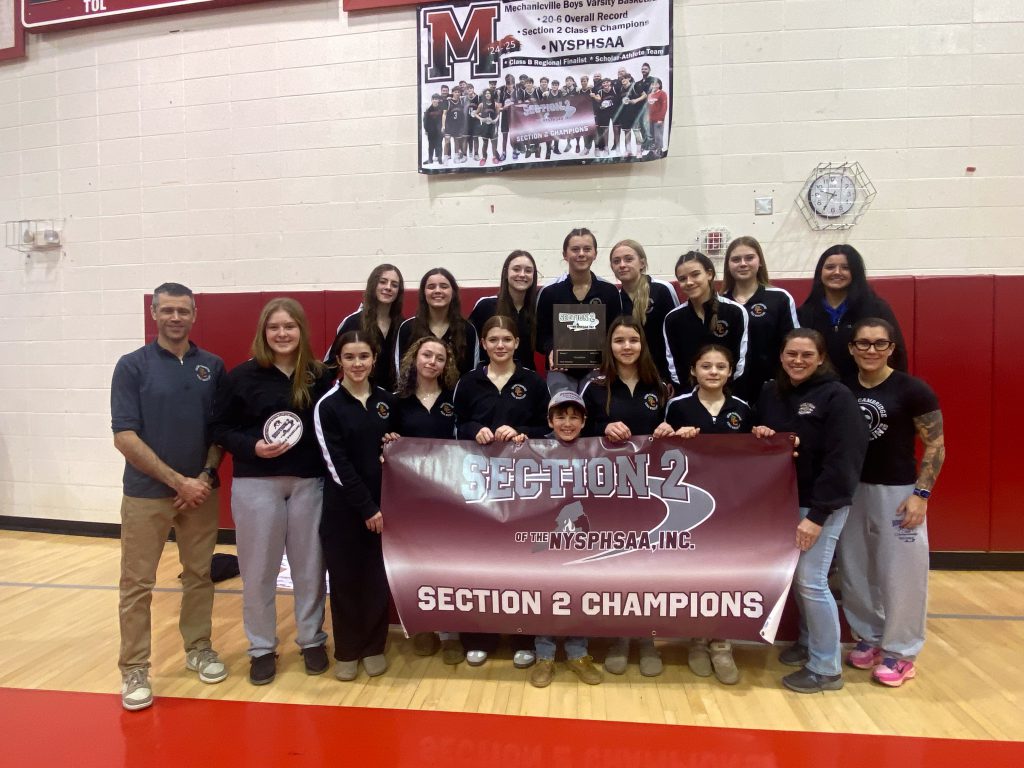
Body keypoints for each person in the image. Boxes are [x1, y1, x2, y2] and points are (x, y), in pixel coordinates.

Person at [111, 282, 227, 711]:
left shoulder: (212, 366)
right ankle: (135, 669)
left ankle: (199, 648)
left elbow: (219, 433)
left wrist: (204, 476)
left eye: (183, 311)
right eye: (167, 311)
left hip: (200, 493)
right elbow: (124, 436)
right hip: (146, 495)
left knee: (199, 575)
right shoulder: (132, 366)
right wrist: (178, 481)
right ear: (154, 314)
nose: (175, 318)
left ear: (195, 314)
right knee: (137, 584)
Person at [209, 297, 333, 686]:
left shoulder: (319, 374)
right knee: (259, 571)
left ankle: (312, 639)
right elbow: (221, 429)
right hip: (256, 484)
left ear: (301, 331)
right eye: (275, 327)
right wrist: (253, 447)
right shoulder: (242, 376)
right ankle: (261, 648)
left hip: (308, 484)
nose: (282, 334)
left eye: (290, 327)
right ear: (264, 332)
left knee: (310, 569)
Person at [753, 329, 868, 694]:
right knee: (799, 579)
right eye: (791, 354)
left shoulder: (837, 396)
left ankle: (826, 668)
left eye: (806, 355)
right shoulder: (771, 392)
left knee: (811, 581)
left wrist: (817, 515)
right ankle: (807, 643)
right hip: (783, 500)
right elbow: (771, 440)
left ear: (821, 358)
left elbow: (844, 460)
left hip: (820, 503)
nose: (797, 361)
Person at [840, 318, 945, 687]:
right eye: (863, 344)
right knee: (856, 570)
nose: (871, 351)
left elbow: (935, 444)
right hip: (850, 491)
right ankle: (870, 636)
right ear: (851, 348)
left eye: (879, 344)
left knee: (902, 574)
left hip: (898, 493)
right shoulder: (841, 387)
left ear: (891, 348)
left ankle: (901, 652)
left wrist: (921, 494)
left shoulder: (912, 389)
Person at [453, 315, 550, 666]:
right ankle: (479, 636)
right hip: (478, 486)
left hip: (522, 486)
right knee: (480, 561)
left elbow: (547, 426)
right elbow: (458, 423)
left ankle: (523, 636)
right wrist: (474, 429)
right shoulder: (468, 382)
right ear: (483, 342)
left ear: (517, 343)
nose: (500, 345)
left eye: (506, 339)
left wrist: (523, 431)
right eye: (493, 339)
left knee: (522, 561)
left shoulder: (534, 382)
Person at [580, 315, 672, 677]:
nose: (627, 347)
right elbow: (574, 429)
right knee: (616, 563)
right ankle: (619, 636)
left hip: (651, 491)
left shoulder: (661, 386)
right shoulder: (594, 386)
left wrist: (669, 427)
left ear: (642, 344)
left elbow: (676, 428)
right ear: (610, 346)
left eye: (633, 340)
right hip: (608, 490)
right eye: (619, 341)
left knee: (648, 565)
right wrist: (602, 427)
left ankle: (647, 638)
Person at [662, 344, 753, 685]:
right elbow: (660, 451)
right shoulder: (678, 406)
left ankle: (721, 641)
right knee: (693, 573)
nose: (713, 372)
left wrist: (762, 436)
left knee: (724, 574)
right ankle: (696, 639)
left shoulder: (743, 409)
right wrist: (673, 436)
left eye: (720, 366)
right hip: (690, 506)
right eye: (706, 366)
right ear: (693, 371)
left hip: (730, 507)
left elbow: (755, 457)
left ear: (731, 371)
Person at [314, 331, 399, 681]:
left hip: (384, 508)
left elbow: (394, 448)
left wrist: (394, 444)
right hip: (346, 511)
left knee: (377, 578)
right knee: (347, 579)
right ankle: (348, 649)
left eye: (364, 356)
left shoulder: (386, 401)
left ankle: (374, 646)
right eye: (350, 357)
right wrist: (366, 508)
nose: (357, 363)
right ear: (339, 361)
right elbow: (337, 465)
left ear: (374, 359)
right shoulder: (328, 405)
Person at [393, 337, 464, 665]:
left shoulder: (455, 399)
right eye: (427, 354)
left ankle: (450, 632)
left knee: (448, 562)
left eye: (439, 357)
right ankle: (421, 626)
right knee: (415, 562)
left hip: (448, 494)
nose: (432, 361)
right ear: (414, 357)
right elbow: (383, 442)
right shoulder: (396, 401)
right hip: (409, 498)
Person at [529, 390, 604, 688]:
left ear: (585, 421)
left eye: (575, 417)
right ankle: (544, 655)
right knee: (545, 591)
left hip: (581, 536)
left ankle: (577, 653)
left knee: (579, 590)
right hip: (544, 534)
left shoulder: (597, 448)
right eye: (561, 416)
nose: (568, 423)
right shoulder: (533, 448)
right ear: (550, 420)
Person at [797, 244, 908, 381]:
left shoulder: (876, 308)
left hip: (866, 389)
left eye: (845, 268)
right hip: (821, 392)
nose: (837, 272)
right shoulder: (805, 313)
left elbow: (896, 353)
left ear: (855, 272)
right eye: (830, 267)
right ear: (820, 272)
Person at [536, 227, 622, 394]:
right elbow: (539, 337)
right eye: (575, 249)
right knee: (562, 411)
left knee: (595, 409)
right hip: (560, 369)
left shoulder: (608, 292)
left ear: (595, 254)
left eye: (587, 249)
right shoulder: (550, 293)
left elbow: (616, 332)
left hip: (598, 368)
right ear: (565, 254)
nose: (581, 254)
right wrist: (551, 349)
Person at [721, 236, 799, 402]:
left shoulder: (780, 298)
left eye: (749, 258)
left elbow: (793, 342)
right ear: (728, 265)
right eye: (736, 259)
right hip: (728, 388)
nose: (743, 263)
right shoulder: (719, 303)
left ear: (760, 262)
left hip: (773, 386)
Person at [663, 251, 749, 392]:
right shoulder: (673, 319)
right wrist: (691, 398)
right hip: (689, 396)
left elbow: (740, 362)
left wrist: (722, 395)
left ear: (709, 274)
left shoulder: (735, 312)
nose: (689, 282)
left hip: (727, 395)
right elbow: (674, 365)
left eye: (695, 274)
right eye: (683, 278)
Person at [326, 263, 404, 392]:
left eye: (394, 285)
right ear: (373, 285)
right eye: (383, 282)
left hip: (393, 401)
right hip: (358, 399)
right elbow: (330, 366)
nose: (388, 287)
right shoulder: (353, 322)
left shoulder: (403, 325)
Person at [609, 239, 678, 383]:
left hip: (661, 373)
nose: (622, 265)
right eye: (616, 261)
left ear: (642, 263)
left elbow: (675, 335)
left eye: (628, 259)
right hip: (629, 374)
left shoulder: (662, 290)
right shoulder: (614, 297)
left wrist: (670, 378)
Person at [395, 267, 479, 379]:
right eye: (431, 287)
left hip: (457, 396)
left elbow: (472, 373)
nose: (438, 291)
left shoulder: (468, 329)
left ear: (453, 292)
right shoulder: (407, 328)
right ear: (423, 293)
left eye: (444, 286)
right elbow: (401, 372)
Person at [468, 249, 539, 370]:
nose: (522, 274)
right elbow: (469, 344)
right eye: (516, 269)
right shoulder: (485, 306)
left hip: (526, 382)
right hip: (489, 380)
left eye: (528, 270)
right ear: (506, 273)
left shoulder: (538, 308)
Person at [645, 78, 668, 157]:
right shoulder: (649, 95)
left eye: (656, 84)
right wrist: (646, 118)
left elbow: (664, 107)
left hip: (658, 120)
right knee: (651, 136)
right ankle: (653, 151)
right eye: (652, 84)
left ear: (659, 85)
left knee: (658, 136)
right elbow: (647, 108)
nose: (654, 85)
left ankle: (659, 151)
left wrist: (661, 119)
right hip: (650, 119)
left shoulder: (662, 93)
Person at [422, 93, 444, 165]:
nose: (435, 100)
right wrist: (426, 130)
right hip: (431, 131)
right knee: (431, 145)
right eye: (434, 99)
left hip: (439, 131)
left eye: (436, 99)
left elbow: (444, 120)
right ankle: (430, 159)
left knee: (439, 145)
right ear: (432, 100)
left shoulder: (441, 109)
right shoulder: (428, 110)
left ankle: (440, 159)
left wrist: (443, 129)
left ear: (439, 100)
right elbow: (425, 121)